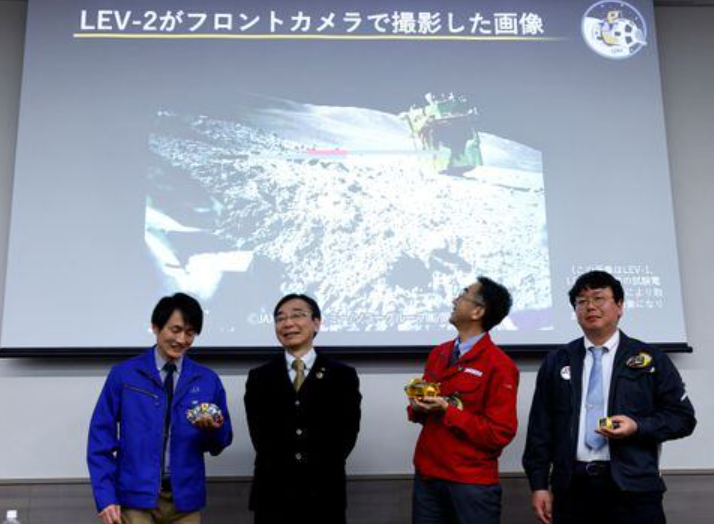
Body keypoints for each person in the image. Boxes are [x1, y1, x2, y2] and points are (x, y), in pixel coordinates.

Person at [522, 270, 696, 524]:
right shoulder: (558, 360)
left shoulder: (651, 358)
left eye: (598, 298)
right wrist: (538, 484)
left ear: (620, 306)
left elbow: (683, 418)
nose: (590, 306)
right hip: (572, 489)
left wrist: (638, 426)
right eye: (581, 302)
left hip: (633, 489)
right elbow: (540, 428)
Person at [87, 293, 233, 524]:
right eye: (175, 330)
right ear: (155, 327)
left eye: (190, 332)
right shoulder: (124, 375)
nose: (182, 339)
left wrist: (214, 429)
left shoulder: (207, 380)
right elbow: (99, 440)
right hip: (135, 500)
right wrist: (105, 497)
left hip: (185, 502)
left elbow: (220, 443)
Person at [408, 277, 519, 524]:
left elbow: (499, 433)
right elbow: (424, 407)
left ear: (478, 311)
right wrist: (417, 407)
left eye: (463, 295)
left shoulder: (500, 366)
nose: (454, 300)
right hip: (428, 476)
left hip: (471, 484)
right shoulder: (439, 353)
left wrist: (447, 410)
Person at [244, 293, 362, 524]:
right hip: (273, 495)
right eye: (280, 318)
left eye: (297, 315)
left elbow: (346, 434)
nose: (288, 323)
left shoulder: (342, 375)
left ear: (316, 322)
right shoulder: (259, 377)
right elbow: (260, 436)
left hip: (325, 493)